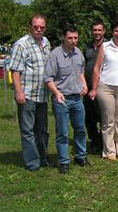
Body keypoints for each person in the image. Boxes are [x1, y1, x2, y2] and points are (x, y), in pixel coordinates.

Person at [88, 20, 118, 161]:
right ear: (112, 32)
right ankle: (109, 150)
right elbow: (97, 68)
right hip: (106, 87)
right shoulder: (105, 46)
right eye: (116, 31)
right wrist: (94, 88)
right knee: (108, 120)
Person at [44, 25, 89, 174]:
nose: (73, 41)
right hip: (61, 99)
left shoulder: (78, 53)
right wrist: (56, 93)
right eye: (70, 38)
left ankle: (80, 156)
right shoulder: (55, 55)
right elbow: (48, 78)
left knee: (81, 129)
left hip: (77, 98)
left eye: (75, 38)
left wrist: (84, 84)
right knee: (62, 132)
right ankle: (63, 161)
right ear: (63, 37)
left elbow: (81, 71)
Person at [9, 14, 51, 171]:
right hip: (27, 94)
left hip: (42, 94)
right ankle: (32, 163)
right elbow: (15, 70)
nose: (39, 29)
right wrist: (18, 92)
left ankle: (43, 158)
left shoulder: (46, 42)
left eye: (42, 27)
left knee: (42, 130)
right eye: (36, 27)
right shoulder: (21, 44)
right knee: (27, 131)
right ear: (30, 27)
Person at [83, 19, 105, 152]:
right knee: (89, 118)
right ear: (92, 31)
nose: (97, 32)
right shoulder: (88, 48)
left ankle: (104, 141)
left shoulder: (108, 46)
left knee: (103, 116)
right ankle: (94, 140)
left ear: (104, 31)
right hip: (87, 87)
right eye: (95, 30)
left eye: (99, 30)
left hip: (102, 87)